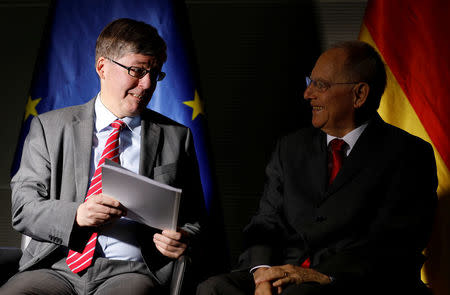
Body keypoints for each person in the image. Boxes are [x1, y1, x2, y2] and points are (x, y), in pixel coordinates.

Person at [197, 41, 437, 295]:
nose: (307, 94)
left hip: (354, 281)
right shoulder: (290, 148)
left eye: (320, 85)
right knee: (213, 288)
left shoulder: (408, 154)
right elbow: (265, 223)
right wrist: (262, 274)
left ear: (359, 95)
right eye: (309, 82)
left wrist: (320, 275)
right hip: (282, 276)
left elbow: (393, 242)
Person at [2, 18, 205, 294]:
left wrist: (183, 238)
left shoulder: (177, 137)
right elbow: (23, 208)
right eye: (137, 70)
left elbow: (195, 219)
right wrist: (78, 215)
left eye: (154, 73)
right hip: (56, 266)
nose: (146, 84)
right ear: (102, 67)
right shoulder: (49, 128)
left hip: (131, 272)